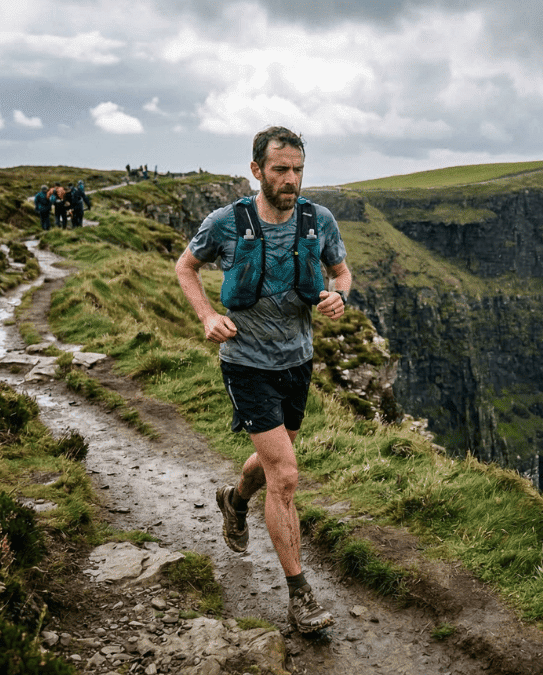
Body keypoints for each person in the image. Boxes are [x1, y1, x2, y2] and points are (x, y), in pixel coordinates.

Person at [175, 126, 350, 634]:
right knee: (288, 475)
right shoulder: (225, 223)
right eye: (280, 169)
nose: (291, 179)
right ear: (257, 170)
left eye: (297, 169)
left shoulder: (319, 221)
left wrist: (341, 293)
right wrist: (207, 315)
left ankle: (235, 500)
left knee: (274, 465)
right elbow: (186, 268)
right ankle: (300, 597)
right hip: (246, 363)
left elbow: (342, 272)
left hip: (297, 362)